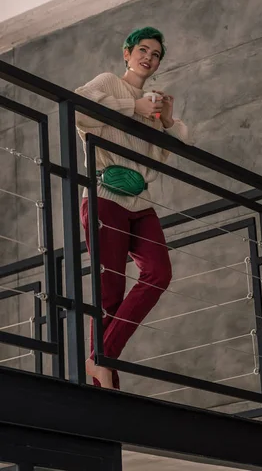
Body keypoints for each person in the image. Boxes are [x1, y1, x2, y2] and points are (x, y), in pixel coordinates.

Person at [75, 27, 189, 390]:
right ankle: (103, 381)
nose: (148, 58)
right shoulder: (110, 83)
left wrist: (167, 122)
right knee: (109, 292)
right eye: (143, 49)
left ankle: (100, 358)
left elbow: (169, 153)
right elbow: (78, 103)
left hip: (140, 203)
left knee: (159, 272)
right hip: (105, 197)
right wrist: (131, 106)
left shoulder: (154, 106)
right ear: (127, 53)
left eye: (156, 54)